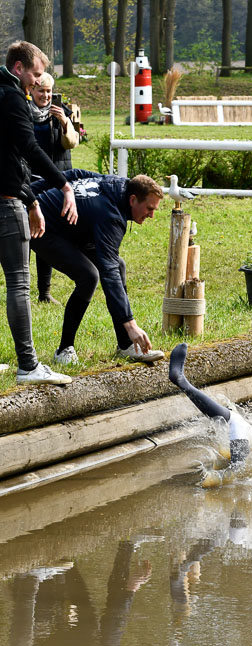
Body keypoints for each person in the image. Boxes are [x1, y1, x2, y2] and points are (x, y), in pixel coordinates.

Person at [0, 40, 78, 386]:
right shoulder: (13, 96)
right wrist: (62, 184)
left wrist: (31, 199)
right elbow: (27, 148)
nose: (37, 83)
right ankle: (29, 366)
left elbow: (6, 156)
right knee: (19, 281)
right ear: (19, 68)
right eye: (35, 74)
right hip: (5, 202)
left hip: (12, 193)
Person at [30, 169, 165, 364]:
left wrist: (29, 191)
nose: (152, 215)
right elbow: (107, 272)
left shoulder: (116, 184)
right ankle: (64, 350)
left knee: (119, 267)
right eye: (149, 208)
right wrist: (131, 324)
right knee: (89, 276)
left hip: (74, 227)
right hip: (45, 227)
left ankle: (126, 346)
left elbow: (74, 173)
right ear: (133, 200)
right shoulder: (111, 216)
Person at [29, 71, 80, 303]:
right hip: (29, 179)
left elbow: (71, 143)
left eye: (49, 91)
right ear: (32, 91)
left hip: (56, 179)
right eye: (41, 91)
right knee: (25, 233)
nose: (46, 95)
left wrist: (64, 121)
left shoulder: (62, 114)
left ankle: (44, 292)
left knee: (45, 233)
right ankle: (20, 287)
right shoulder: (23, 112)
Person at [169, 342, 251, 468]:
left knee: (234, 422)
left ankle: (181, 380)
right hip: (240, 431)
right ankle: (181, 380)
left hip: (239, 428)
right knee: (239, 472)